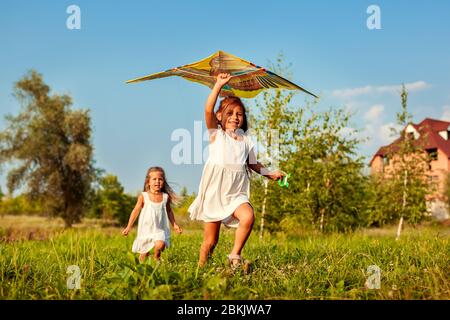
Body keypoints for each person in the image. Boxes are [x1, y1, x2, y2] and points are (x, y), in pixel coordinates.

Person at [188, 73, 285, 268]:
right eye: (230, 113)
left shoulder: (246, 141)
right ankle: (200, 269)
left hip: (236, 192)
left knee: (248, 216)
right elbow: (208, 109)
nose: (235, 117)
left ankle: (235, 255)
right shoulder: (217, 135)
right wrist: (218, 85)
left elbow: (253, 165)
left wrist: (271, 173)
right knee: (211, 241)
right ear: (220, 116)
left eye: (239, 114)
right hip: (216, 191)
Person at [122, 166, 182, 262]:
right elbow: (136, 211)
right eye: (154, 179)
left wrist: (174, 225)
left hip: (160, 229)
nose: (157, 181)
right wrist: (129, 227)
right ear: (148, 182)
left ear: (163, 181)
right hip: (146, 229)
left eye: (160, 179)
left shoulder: (165, 197)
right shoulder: (144, 196)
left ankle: (156, 257)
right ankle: (140, 270)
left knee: (160, 244)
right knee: (144, 254)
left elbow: (169, 211)